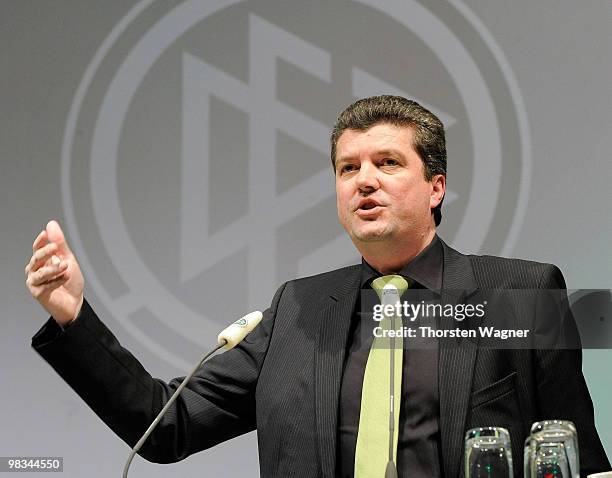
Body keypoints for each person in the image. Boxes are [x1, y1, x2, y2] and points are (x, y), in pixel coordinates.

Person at [26, 96, 609, 477]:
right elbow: (162, 425)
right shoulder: (296, 311)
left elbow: (578, 455)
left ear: (436, 187)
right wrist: (74, 316)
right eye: (348, 168)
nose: (365, 182)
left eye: (387, 163)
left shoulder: (521, 293)